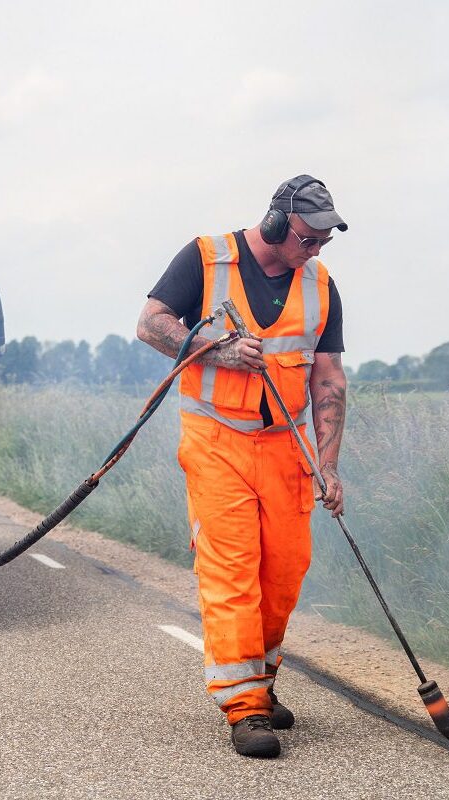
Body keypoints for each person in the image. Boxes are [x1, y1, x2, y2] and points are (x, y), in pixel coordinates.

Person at [137, 174, 348, 758]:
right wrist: (219, 351)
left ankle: (263, 677)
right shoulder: (207, 260)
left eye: (325, 240)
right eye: (308, 238)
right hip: (216, 440)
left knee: (283, 571)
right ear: (279, 225)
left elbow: (328, 377)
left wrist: (328, 465)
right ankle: (245, 707)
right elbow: (150, 322)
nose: (317, 249)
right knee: (232, 569)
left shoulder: (321, 284)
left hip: (286, 447)